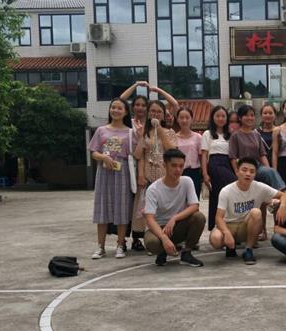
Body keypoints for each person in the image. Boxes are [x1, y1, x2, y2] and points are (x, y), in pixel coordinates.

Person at [209, 157, 286, 265]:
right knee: (216, 239)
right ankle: (230, 247)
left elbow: (284, 195)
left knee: (256, 212)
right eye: (244, 170)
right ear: (237, 171)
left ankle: (248, 249)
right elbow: (218, 217)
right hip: (229, 225)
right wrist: (226, 233)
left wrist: (282, 206)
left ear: (255, 174)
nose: (248, 174)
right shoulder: (226, 191)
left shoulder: (259, 187)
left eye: (252, 171)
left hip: (246, 226)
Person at [88, 98, 137, 259]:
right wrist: (103, 157)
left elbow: (135, 153)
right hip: (104, 172)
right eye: (113, 107)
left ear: (125, 112)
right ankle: (100, 246)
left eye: (119, 108)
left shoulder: (130, 132)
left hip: (122, 172)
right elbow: (93, 152)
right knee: (102, 208)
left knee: (122, 208)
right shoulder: (101, 130)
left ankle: (120, 245)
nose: (115, 110)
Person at [229, 104, 286, 241]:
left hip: (258, 168)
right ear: (240, 118)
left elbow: (262, 155)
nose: (249, 118)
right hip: (244, 171)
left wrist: (269, 170)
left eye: (252, 115)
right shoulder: (235, 136)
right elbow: (232, 157)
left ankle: (282, 195)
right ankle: (261, 231)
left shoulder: (256, 134)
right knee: (259, 202)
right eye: (246, 115)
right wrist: (237, 172)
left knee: (269, 188)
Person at [143, 148, 206, 267]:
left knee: (199, 217)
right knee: (152, 243)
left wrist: (174, 218)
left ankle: (186, 253)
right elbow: (149, 219)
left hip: (177, 226)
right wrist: (163, 238)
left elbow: (194, 206)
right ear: (164, 165)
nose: (178, 169)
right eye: (174, 165)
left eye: (181, 166)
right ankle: (162, 252)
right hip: (159, 228)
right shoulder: (153, 189)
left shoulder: (187, 181)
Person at [131, 100, 177, 247]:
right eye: (153, 111)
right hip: (148, 174)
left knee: (164, 206)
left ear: (163, 115)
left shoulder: (170, 132)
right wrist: (140, 175)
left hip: (164, 174)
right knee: (145, 207)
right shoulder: (144, 133)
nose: (155, 114)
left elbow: (172, 151)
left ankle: (167, 235)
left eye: (159, 112)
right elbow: (138, 155)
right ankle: (143, 238)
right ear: (148, 114)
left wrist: (161, 131)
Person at [201, 105, 237, 231]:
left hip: (228, 163)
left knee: (224, 194)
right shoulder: (207, 134)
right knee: (222, 192)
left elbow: (232, 155)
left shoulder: (230, 135)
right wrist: (205, 174)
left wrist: (236, 171)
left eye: (223, 116)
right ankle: (216, 226)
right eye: (218, 116)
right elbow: (204, 155)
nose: (221, 118)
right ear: (213, 117)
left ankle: (227, 224)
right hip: (215, 164)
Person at [175, 107, 203, 200]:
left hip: (194, 172)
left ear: (191, 119)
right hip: (178, 172)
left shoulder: (198, 137)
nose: (184, 120)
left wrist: (204, 173)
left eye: (187, 117)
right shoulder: (174, 138)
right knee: (179, 201)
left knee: (194, 200)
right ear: (177, 119)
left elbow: (201, 157)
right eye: (181, 118)